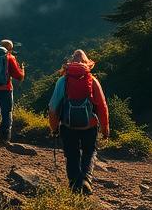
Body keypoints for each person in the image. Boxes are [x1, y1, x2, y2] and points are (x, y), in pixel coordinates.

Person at [47, 50, 110, 195]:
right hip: (90, 125)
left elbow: (53, 108)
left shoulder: (62, 81)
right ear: (88, 64)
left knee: (72, 154)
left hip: (68, 125)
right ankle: (86, 180)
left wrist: (54, 127)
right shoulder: (92, 80)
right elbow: (102, 106)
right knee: (89, 152)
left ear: (70, 64)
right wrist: (105, 129)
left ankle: (75, 184)